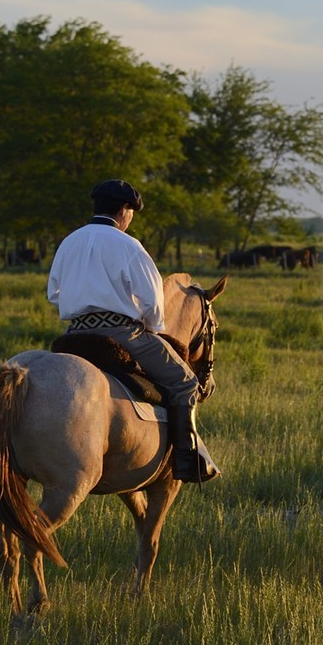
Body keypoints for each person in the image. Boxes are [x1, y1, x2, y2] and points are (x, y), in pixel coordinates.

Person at [47, 179, 217, 483]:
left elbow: (53, 293)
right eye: (131, 212)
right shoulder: (129, 246)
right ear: (125, 210)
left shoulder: (70, 241)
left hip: (73, 335)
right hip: (123, 333)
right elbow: (153, 304)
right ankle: (185, 462)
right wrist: (151, 329)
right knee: (185, 383)